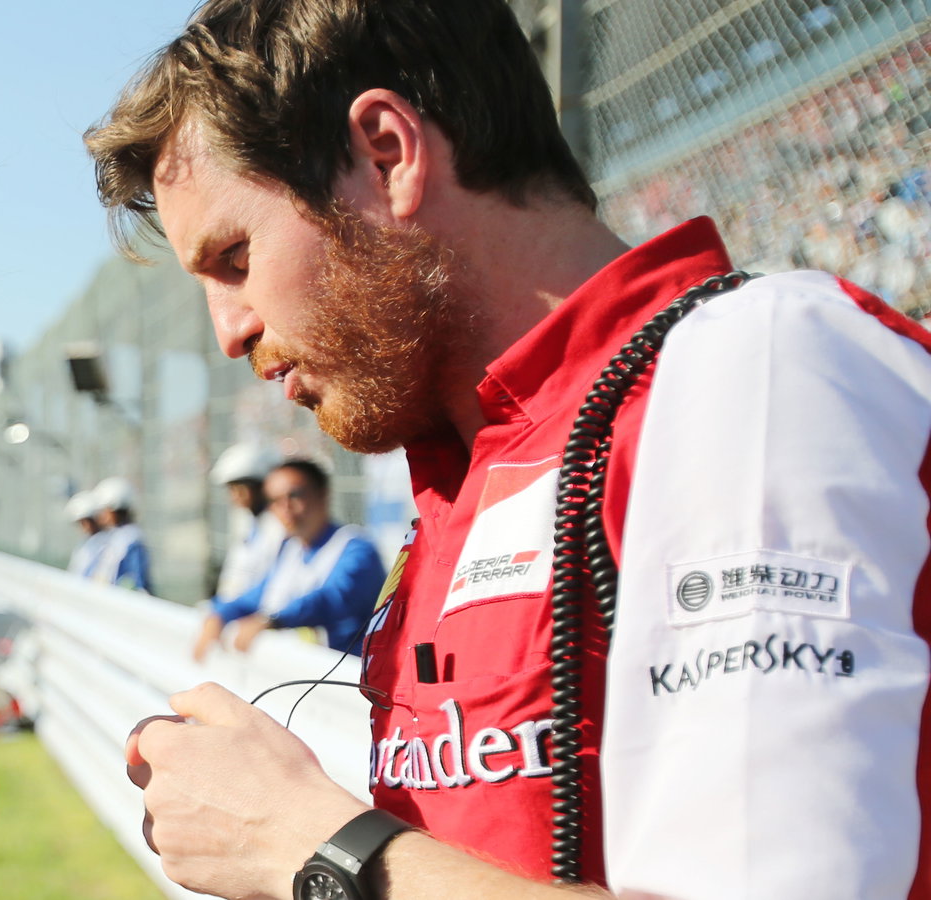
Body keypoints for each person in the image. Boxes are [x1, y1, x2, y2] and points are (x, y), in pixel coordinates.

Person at [86, 1, 931, 898]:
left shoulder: (752, 366)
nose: (229, 330)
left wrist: (313, 846)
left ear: (385, 153)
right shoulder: (461, 474)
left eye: (233, 257)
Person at [193, 459, 382, 662]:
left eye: (295, 495)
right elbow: (258, 595)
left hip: (349, 678)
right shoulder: (290, 549)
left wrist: (271, 621)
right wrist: (219, 615)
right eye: (275, 500)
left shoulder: (356, 548)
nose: (285, 507)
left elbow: (331, 598)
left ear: (323, 494)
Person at [206, 441, 286, 606]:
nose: (235, 496)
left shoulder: (279, 528)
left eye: (240, 488)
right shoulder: (248, 523)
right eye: (231, 489)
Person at [89, 476, 152, 592]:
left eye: (105, 510)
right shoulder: (114, 536)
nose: (101, 515)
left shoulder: (131, 539)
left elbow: (136, 582)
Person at [64, 490, 108, 577]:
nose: (86, 526)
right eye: (82, 522)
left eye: (88, 521)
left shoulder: (107, 544)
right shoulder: (84, 545)